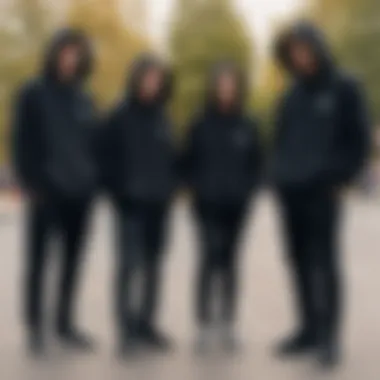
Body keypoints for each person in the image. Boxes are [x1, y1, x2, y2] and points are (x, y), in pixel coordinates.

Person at [272, 22, 371, 368]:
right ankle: (307, 330)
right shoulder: (291, 93)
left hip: (323, 193)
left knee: (324, 265)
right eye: (293, 50)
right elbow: (280, 139)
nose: (300, 55)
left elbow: (358, 140)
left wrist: (340, 177)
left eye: (304, 47)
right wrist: (278, 175)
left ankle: (329, 339)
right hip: (291, 193)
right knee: (297, 262)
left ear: (317, 45)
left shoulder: (345, 87)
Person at [12, 29, 98, 355]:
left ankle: (65, 324)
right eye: (65, 52)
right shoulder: (33, 92)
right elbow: (21, 141)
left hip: (80, 194)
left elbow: (92, 142)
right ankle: (36, 328)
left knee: (72, 263)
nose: (70, 59)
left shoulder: (83, 96)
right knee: (38, 262)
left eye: (76, 53)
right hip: (45, 192)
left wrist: (92, 180)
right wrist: (30, 183)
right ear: (53, 54)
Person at [100, 55, 177, 356]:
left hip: (159, 206)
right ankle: (126, 330)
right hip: (129, 206)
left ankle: (146, 325)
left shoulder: (163, 116)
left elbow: (170, 157)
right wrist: (119, 194)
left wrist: (170, 187)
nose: (152, 83)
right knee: (128, 267)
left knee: (153, 267)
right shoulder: (119, 114)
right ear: (136, 78)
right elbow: (104, 158)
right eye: (147, 77)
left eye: (157, 78)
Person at [183, 62, 262, 352]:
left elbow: (257, 163)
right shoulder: (199, 122)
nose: (226, 89)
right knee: (207, 260)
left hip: (237, 207)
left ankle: (228, 323)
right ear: (214, 87)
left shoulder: (247, 123)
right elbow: (186, 159)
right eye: (221, 84)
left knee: (230, 263)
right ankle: (204, 325)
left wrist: (248, 190)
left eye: (231, 84)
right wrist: (195, 188)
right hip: (205, 206)